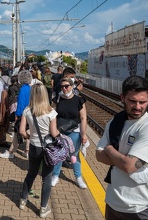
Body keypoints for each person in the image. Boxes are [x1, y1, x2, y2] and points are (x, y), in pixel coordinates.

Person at [96, 75, 148, 219]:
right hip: (113, 202)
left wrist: (109, 149)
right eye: (132, 101)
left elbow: (129, 166)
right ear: (122, 97)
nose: (138, 107)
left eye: (142, 102)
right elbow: (98, 155)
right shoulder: (115, 121)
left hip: (139, 207)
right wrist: (123, 159)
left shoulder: (146, 126)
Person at [18, 84, 60, 218]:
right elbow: (54, 133)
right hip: (48, 148)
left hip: (34, 147)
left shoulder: (27, 111)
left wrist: (29, 137)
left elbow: (21, 131)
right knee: (46, 178)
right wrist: (61, 133)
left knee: (31, 174)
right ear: (45, 95)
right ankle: (43, 208)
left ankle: (22, 201)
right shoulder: (51, 112)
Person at [51, 78, 88, 189]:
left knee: (74, 155)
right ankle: (55, 175)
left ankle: (78, 177)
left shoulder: (79, 100)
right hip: (60, 131)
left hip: (74, 131)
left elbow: (83, 117)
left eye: (66, 86)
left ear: (72, 86)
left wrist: (84, 134)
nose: (64, 89)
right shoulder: (58, 98)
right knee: (59, 153)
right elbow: (53, 115)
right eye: (62, 87)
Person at [0, 71, 31, 159]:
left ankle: (10, 152)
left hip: (23, 114)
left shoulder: (22, 89)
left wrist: (17, 114)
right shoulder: (30, 88)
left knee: (18, 132)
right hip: (30, 113)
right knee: (28, 131)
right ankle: (27, 151)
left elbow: (21, 103)